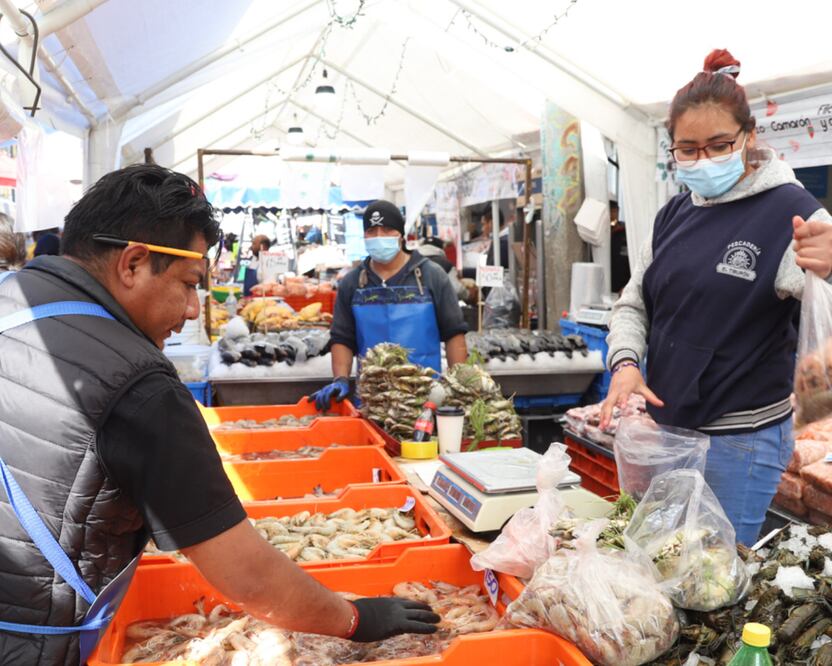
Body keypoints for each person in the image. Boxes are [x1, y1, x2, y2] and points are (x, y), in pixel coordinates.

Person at [0, 166, 439, 665]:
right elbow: (246, 575)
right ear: (134, 263)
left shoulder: (10, 300)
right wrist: (356, 619)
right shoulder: (138, 384)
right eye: (189, 284)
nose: (192, 310)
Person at [600, 49, 832, 546]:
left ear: (748, 138)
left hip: (740, 444)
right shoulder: (674, 213)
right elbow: (634, 302)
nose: (703, 160)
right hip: (669, 430)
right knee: (661, 567)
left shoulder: (791, 212)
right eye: (688, 149)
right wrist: (625, 363)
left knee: (713, 579)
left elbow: (823, 317)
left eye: (718, 144)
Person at [312, 200, 469, 411]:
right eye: (372, 230)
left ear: (401, 235)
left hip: (426, 397)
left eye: (387, 230)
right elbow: (342, 338)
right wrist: (340, 378)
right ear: (364, 236)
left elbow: (454, 334)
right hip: (372, 400)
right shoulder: (352, 283)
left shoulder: (432, 275)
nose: (379, 236)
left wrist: (457, 385)